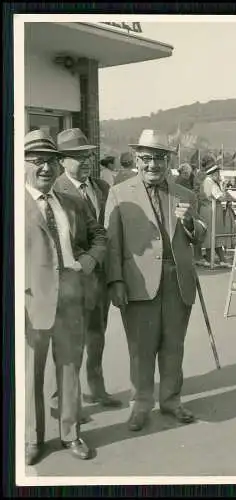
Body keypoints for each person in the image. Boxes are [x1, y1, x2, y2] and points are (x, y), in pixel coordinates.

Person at [104, 129, 207, 432]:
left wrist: (189, 221)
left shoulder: (185, 194)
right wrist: (116, 282)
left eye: (159, 158)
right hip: (137, 284)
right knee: (141, 348)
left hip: (178, 282)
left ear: (168, 161)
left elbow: (200, 235)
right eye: (146, 158)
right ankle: (140, 405)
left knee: (174, 346)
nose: (153, 165)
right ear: (137, 159)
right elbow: (112, 244)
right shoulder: (119, 193)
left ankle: (172, 401)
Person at [24, 129, 107, 465]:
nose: (46, 168)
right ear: (24, 165)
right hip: (31, 303)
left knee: (70, 369)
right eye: (38, 161)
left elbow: (99, 237)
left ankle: (71, 434)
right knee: (30, 374)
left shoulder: (71, 203)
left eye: (52, 161)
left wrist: (86, 263)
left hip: (71, 299)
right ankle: (32, 439)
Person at [53, 128, 121, 408]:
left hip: (99, 279)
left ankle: (97, 388)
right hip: (71, 280)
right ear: (61, 161)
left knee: (97, 336)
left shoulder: (103, 188)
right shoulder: (55, 190)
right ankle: (67, 400)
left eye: (88, 156)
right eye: (76, 157)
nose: (84, 162)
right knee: (69, 344)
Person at [198, 156, 235, 267]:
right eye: (218, 174)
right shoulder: (210, 183)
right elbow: (221, 197)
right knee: (213, 236)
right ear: (214, 174)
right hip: (211, 212)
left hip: (208, 211)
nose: (220, 176)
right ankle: (215, 260)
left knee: (213, 236)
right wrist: (224, 188)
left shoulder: (207, 181)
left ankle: (215, 259)